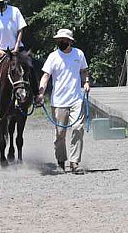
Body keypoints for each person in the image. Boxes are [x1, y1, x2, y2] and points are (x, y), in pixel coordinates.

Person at [36, 29, 90, 174]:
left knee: (78, 128)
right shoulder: (53, 57)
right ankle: (61, 161)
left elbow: (84, 70)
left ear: (70, 41)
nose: (60, 42)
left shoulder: (79, 54)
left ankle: (74, 163)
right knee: (60, 133)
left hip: (76, 99)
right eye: (59, 40)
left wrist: (86, 82)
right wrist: (41, 93)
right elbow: (46, 76)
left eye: (63, 40)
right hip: (59, 101)